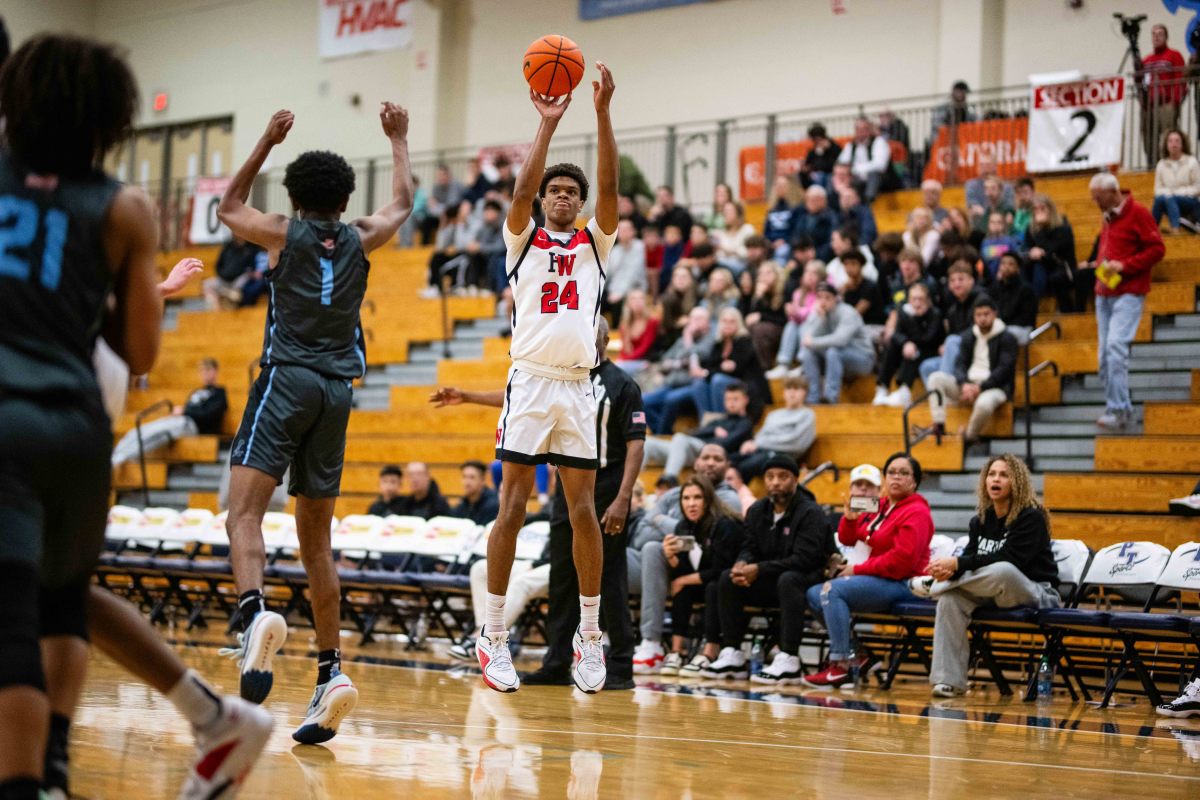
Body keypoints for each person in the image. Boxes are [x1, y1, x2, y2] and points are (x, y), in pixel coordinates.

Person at [0, 34, 271, 800]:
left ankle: (29, 780)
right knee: (60, 598)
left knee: (17, 617)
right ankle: (55, 771)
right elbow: (140, 346)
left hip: (8, 415)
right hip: (80, 423)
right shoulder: (125, 207)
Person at [216, 99, 413, 741]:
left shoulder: (281, 231)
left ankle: (254, 618)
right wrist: (399, 139)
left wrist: (266, 143)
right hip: (337, 391)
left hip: (286, 378)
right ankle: (331, 673)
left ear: (296, 198)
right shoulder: (360, 236)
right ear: (345, 195)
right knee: (316, 543)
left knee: (243, 513)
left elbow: (227, 206)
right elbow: (404, 203)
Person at [466, 63, 621, 695]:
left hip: (578, 386)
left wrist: (603, 112)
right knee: (512, 504)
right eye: (553, 190)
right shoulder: (522, 242)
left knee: (582, 509)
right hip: (529, 380)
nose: (560, 195)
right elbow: (522, 185)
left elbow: (609, 184)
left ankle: (589, 633)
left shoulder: (594, 245)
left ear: (580, 205)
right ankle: (494, 634)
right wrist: (547, 124)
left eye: (569, 192)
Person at [436, 316, 646, 692]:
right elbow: (517, 400)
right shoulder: (554, 375)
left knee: (609, 580)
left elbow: (636, 441)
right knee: (561, 578)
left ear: (603, 337)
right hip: (567, 494)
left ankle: (619, 664)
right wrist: (468, 396)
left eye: (594, 329)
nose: (587, 332)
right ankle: (556, 661)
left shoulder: (621, 384)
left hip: (605, 492)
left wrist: (623, 497)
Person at [913, 454, 1060, 698]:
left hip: (1036, 591)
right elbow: (971, 559)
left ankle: (933, 587)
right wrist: (951, 569)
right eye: (992, 474)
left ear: (1017, 482)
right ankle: (948, 681)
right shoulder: (980, 520)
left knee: (1003, 569)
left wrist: (956, 564)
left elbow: (1012, 559)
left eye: (1004, 475)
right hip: (993, 593)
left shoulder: (1031, 516)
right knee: (950, 601)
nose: (996, 479)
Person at [803, 453, 933, 688]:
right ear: (884, 477)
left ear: (914, 482)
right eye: (892, 472)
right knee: (813, 593)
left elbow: (901, 562)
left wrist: (856, 569)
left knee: (831, 591)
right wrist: (850, 519)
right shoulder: (878, 504)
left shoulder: (917, 512)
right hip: (877, 578)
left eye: (904, 473)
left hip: (902, 582)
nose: (896, 477)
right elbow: (847, 538)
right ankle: (859, 656)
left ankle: (840, 665)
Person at [703, 455, 833, 679]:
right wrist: (742, 563)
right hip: (771, 579)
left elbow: (804, 559)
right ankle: (732, 651)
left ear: (795, 480)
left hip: (806, 579)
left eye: (783, 477)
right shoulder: (757, 510)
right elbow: (748, 546)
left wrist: (759, 569)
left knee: (789, 579)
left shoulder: (810, 512)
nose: (775, 482)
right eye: (770, 477)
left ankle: (789, 657)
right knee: (727, 578)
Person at [631, 475, 742, 675]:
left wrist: (683, 579)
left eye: (697, 498)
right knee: (683, 588)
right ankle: (676, 651)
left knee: (706, 586)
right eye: (686, 498)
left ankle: (710, 650)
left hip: (727, 583)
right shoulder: (683, 526)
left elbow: (721, 568)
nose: (691, 504)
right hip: (702, 579)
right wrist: (671, 557)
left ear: (708, 499)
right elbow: (685, 568)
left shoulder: (725, 524)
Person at [1085, 173, 1164, 430]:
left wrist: (1125, 266)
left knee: (1115, 349)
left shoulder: (1138, 212)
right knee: (1103, 357)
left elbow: (1157, 249)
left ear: (1112, 192)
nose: (1096, 203)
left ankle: (1119, 410)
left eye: (1098, 198)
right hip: (1105, 292)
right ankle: (1116, 407)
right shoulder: (1107, 215)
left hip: (1129, 291)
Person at [926, 295, 1018, 444]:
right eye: (978, 315)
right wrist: (964, 384)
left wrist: (980, 387)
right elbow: (959, 364)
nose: (982, 319)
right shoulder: (968, 336)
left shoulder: (1007, 338)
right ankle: (939, 425)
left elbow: (1004, 369)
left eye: (986, 314)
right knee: (935, 378)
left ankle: (969, 436)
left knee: (984, 404)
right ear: (974, 316)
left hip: (995, 387)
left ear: (995, 314)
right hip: (968, 385)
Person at [110, 358, 228, 465]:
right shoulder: (196, 392)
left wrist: (185, 411)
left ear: (215, 371)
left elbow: (209, 414)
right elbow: (189, 407)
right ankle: (116, 453)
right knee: (141, 430)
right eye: (202, 371)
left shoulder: (219, 393)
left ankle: (120, 457)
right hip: (180, 420)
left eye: (208, 370)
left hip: (192, 425)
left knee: (157, 434)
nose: (205, 374)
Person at [644, 381, 753, 479]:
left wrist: (708, 434)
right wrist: (713, 431)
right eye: (728, 399)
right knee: (646, 442)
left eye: (735, 399)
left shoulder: (745, 423)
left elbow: (726, 443)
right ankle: (632, 487)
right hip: (688, 450)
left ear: (745, 400)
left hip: (707, 454)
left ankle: (668, 480)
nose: (731, 403)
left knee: (680, 438)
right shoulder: (718, 421)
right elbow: (694, 433)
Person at [798, 283, 876, 405]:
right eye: (819, 297)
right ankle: (813, 397)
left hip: (863, 358)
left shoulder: (848, 312)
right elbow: (805, 339)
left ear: (836, 298)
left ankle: (830, 397)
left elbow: (840, 340)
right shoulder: (819, 312)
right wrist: (820, 320)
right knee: (809, 352)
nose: (823, 301)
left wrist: (812, 342)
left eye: (827, 297)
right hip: (835, 357)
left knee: (833, 351)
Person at [640, 305, 712, 435]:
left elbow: (701, 355)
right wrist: (679, 363)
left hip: (691, 386)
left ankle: (661, 435)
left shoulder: (710, 340)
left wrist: (689, 340)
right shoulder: (681, 341)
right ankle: (662, 433)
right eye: (693, 319)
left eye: (700, 319)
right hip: (671, 383)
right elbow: (664, 362)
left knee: (671, 399)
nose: (695, 322)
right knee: (643, 401)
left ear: (708, 322)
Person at [730, 376, 816, 481]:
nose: (792, 393)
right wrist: (752, 443)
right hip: (760, 452)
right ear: (783, 393)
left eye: (796, 388)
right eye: (789, 388)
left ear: (805, 393)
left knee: (743, 468)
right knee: (728, 461)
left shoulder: (807, 415)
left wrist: (759, 443)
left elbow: (796, 444)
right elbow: (760, 436)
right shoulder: (774, 414)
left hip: (783, 457)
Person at [691, 307, 769, 418]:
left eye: (732, 322)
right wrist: (707, 371)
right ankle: (707, 420)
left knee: (717, 380)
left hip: (747, 386)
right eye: (724, 321)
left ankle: (722, 419)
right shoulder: (718, 344)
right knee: (699, 383)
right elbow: (712, 366)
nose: (728, 325)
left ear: (738, 324)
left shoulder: (745, 341)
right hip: (727, 381)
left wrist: (710, 372)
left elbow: (737, 369)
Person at [874, 282, 942, 408]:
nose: (917, 303)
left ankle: (904, 391)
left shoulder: (935, 314)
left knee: (913, 351)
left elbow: (927, 339)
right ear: (909, 300)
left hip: (930, 352)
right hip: (910, 351)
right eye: (913, 299)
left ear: (927, 300)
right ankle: (882, 387)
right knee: (892, 346)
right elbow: (896, 334)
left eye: (920, 299)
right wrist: (906, 342)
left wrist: (914, 320)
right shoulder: (904, 313)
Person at [920, 260, 980, 386]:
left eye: (961, 279)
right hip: (958, 352)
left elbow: (978, 329)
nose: (956, 284)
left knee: (952, 341)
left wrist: (949, 343)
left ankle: (943, 388)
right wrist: (944, 345)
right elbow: (951, 333)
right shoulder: (953, 309)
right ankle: (940, 401)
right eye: (952, 280)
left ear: (971, 280)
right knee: (926, 367)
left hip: (977, 351)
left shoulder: (981, 301)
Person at [1139, 24, 1187, 167]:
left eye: (1160, 34)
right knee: (1148, 135)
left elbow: (1180, 79)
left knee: (1167, 135)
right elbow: (1140, 82)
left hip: (1167, 103)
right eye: (1154, 34)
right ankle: (1153, 165)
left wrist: (1175, 101)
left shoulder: (1174, 55)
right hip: (1149, 105)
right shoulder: (1146, 60)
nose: (1157, 36)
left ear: (1166, 37)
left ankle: (1169, 164)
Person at [1022, 193, 1078, 312]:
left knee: (1043, 271)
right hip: (1040, 265)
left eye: (1042, 208)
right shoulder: (1031, 228)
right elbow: (1027, 250)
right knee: (1027, 269)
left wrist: (1040, 229)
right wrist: (1031, 253)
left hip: (1060, 265)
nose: (1039, 212)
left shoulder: (1063, 227)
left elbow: (1051, 250)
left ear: (1050, 209)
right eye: (1035, 209)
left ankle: (1033, 308)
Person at [770, 260, 826, 376]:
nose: (810, 276)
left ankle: (804, 363)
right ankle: (783, 364)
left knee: (805, 325)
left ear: (821, 276)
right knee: (791, 325)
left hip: (820, 329)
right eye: (807, 272)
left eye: (814, 273)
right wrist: (791, 312)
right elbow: (795, 318)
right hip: (801, 327)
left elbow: (813, 314)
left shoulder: (824, 294)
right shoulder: (798, 293)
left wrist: (796, 311)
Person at [1151, 128, 1200, 234]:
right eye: (1170, 141)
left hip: (1190, 201)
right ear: (1166, 144)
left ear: (1182, 144)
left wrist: (1176, 193)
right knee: (1160, 199)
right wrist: (1169, 194)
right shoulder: (1161, 164)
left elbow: (1197, 188)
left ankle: (1175, 229)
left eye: (1177, 141)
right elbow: (1157, 190)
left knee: (1170, 198)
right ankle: (1152, 230)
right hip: (1168, 201)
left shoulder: (1192, 162)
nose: (1174, 144)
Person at [742, 260, 788, 369]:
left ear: (776, 274)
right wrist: (757, 297)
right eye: (761, 274)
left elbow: (783, 319)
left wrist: (761, 316)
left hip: (782, 330)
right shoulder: (759, 292)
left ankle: (764, 367)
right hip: (763, 330)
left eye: (768, 273)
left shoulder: (784, 290)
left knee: (759, 329)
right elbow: (749, 316)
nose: (763, 277)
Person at [203, 235, 268, 309]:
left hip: (240, 281)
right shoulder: (228, 246)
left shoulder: (252, 249)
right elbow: (218, 264)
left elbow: (251, 270)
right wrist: (223, 275)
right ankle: (217, 311)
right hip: (224, 280)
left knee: (239, 290)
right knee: (207, 284)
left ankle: (229, 294)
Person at [837, 117, 892, 201]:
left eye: (864, 129)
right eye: (858, 129)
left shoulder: (878, 142)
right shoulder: (851, 145)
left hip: (881, 180)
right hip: (857, 179)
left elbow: (880, 165)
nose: (860, 132)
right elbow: (841, 163)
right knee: (837, 176)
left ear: (869, 130)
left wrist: (856, 169)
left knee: (874, 174)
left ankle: (868, 202)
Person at [604, 217, 647, 318]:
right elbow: (607, 274)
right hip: (614, 290)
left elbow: (633, 276)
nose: (624, 232)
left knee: (618, 304)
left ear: (633, 231)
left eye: (627, 229)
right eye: (621, 230)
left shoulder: (640, 247)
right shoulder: (615, 251)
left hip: (634, 288)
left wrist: (619, 293)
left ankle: (618, 332)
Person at [989, 252, 1037, 342]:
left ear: (1018, 268)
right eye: (1003, 263)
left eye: (1011, 264)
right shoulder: (994, 288)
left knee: (1004, 336)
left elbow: (1027, 318)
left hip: (1022, 328)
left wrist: (1002, 325)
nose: (1006, 267)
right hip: (1000, 327)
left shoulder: (1026, 289)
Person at [839, 249, 887, 328]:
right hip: (853, 327)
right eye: (846, 264)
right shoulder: (845, 288)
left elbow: (856, 314)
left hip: (872, 326)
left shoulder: (869, 286)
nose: (849, 268)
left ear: (861, 265)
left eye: (853, 264)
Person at [615, 288, 658, 375]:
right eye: (633, 299)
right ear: (628, 303)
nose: (637, 302)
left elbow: (644, 349)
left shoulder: (652, 322)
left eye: (641, 298)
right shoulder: (625, 323)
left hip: (645, 361)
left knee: (616, 368)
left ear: (645, 302)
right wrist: (622, 360)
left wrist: (624, 361)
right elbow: (624, 350)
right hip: (628, 361)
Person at [789, 185, 838, 261]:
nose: (809, 202)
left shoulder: (831, 217)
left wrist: (815, 254)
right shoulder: (802, 216)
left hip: (822, 258)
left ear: (823, 200)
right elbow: (795, 237)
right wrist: (796, 255)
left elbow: (831, 242)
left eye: (814, 199)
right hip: (801, 257)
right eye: (808, 199)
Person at [763, 174, 802, 262]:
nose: (779, 188)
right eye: (777, 185)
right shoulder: (772, 209)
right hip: (771, 243)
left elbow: (796, 230)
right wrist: (770, 242)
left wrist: (784, 241)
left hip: (788, 243)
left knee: (782, 251)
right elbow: (766, 231)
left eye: (783, 185)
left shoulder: (796, 208)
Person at [979, 211, 1020, 282]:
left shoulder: (1009, 241)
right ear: (988, 225)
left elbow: (1016, 260)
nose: (996, 225)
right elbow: (983, 262)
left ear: (1003, 224)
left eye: (999, 222)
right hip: (989, 279)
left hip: (1007, 278)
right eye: (993, 222)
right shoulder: (985, 243)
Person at [712, 200, 756, 267]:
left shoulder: (747, 229)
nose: (725, 214)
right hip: (722, 267)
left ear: (739, 214)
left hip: (743, 266)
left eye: (729, 211)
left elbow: (748, 253)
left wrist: (725, 250)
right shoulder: (719, 233)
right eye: (724, 211)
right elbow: (717, 255)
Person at [799, 123, 841, 190]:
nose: (817, 142)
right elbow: (808, 164)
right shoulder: (813, 152)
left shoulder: (834, 147)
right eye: (815, 140)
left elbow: (837, 161)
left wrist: (829, 149)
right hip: (816, 175)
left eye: (819, 139)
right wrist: (806, 169)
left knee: (823, 177)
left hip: (830, 174)